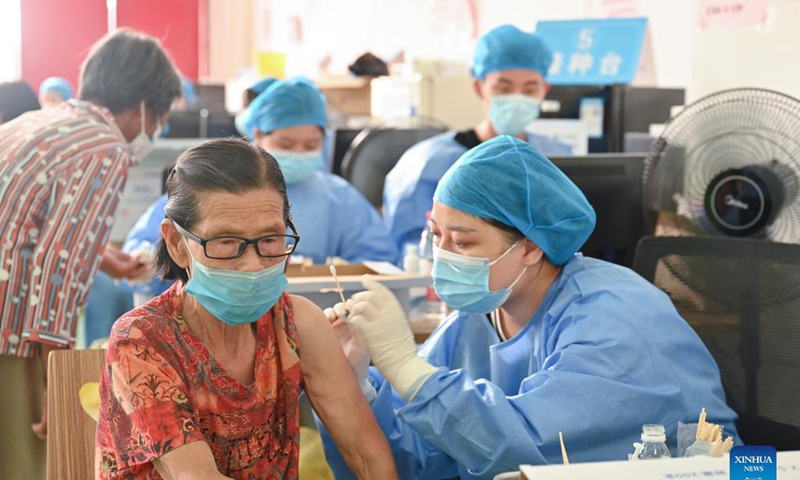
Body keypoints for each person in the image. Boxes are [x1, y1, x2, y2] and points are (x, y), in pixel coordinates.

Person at [319, 136, 740, 479]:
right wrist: (355, 388)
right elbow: (422, 461)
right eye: (436, 235)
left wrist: (406, 367)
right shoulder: (476, 319)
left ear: (531, 247)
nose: (442, 255)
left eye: (463, 242)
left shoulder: (614, 317)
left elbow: (533, 456)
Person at [95, 138, 398, 479]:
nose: (253, 265)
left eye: (270, 240)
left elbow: (368, 455)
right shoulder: (142, 339)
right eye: (226, 243)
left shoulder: (296, 323)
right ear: (177, 244)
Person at [0, 29, 181, 480]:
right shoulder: (104, 148)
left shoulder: (35, 121)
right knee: (25, 462)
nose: (154, 132)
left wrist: (108, 259)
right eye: (158, 118)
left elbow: (31, 220)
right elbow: (53, 274)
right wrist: (56, 383)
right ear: (143, 105)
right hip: (11, 328)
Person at [125, 77, 397, 300]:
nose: (299, 153)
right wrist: (145, 258)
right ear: (257, 135)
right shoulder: (214, 185)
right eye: (288, 144)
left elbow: (379, 264)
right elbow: (151, 245)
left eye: (311, 145)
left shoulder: (340, 198)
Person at [383, 24, 573, 251]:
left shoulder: (557, 158)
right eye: (503, 88)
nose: (517, 99)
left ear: (545, 89)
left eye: (530, 89)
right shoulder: (429, 163)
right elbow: (413, 251)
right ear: (478, 87)